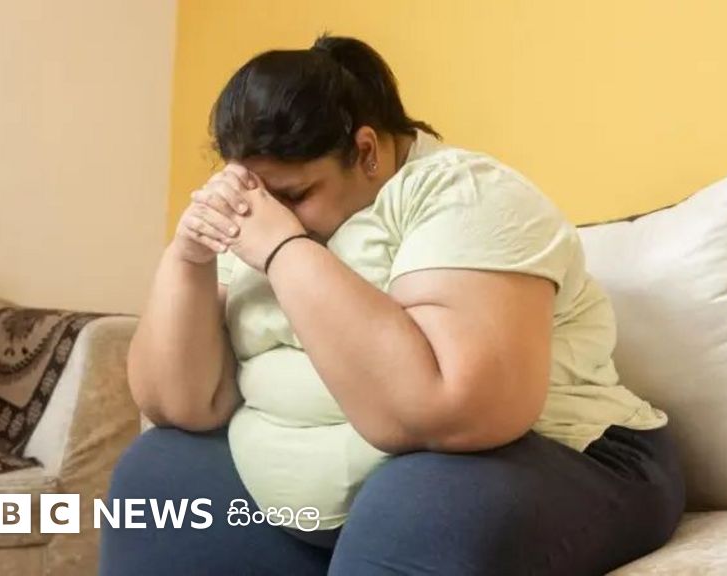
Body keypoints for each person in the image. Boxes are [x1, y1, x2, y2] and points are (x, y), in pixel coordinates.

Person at [100, 34, 684, 576]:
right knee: (159, 477)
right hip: (343, 504)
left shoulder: (464, 193)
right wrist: (190, 256)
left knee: (424, 509)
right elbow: (179, 403)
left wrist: (283, 250)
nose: (272, 213)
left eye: (296, 194)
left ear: (366, 151)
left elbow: (446, 409)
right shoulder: (261, 211)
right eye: (261, 196)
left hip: (567, 459)